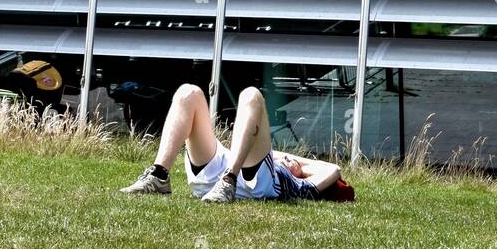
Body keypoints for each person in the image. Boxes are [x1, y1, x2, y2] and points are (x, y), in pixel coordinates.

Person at [120, 83, 342, 203]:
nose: (289, 158)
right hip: (223, 168)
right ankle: (159, 175)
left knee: (251, 94)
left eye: (294, 162)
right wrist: (279, 155)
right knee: (189, 92)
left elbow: (333, 168)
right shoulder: (272, 159)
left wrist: (285, 161)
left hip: (254, 185)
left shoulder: (294, 184)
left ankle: (229, 180)